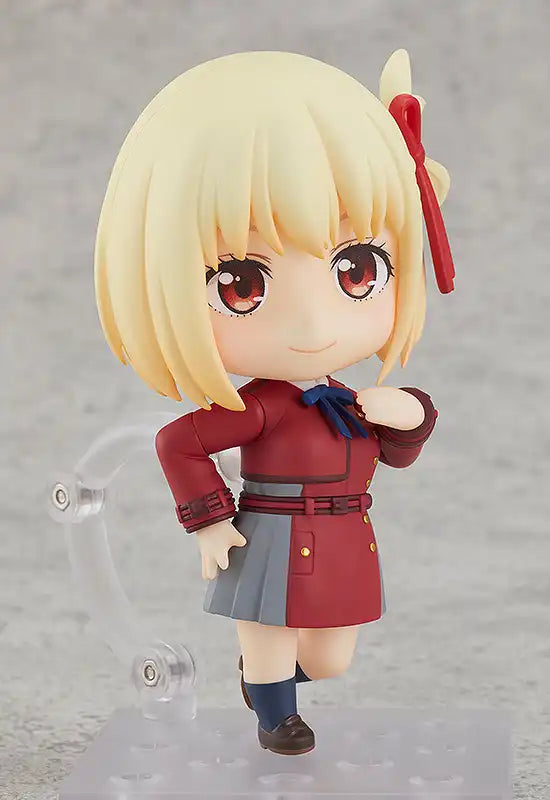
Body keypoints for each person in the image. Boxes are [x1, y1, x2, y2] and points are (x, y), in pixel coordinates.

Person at [95, 49, 454, 755]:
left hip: (346, 533)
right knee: (266, 635)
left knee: (331, 658)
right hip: (270, 533)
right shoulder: (260, 407)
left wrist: (410, 416)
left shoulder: (346, 399)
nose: (313, 324)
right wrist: (209, 522)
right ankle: (274, 714)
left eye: (357, 268)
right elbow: (179, 442)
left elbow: (393, 450)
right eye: (241, 285)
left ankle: (269, 684)